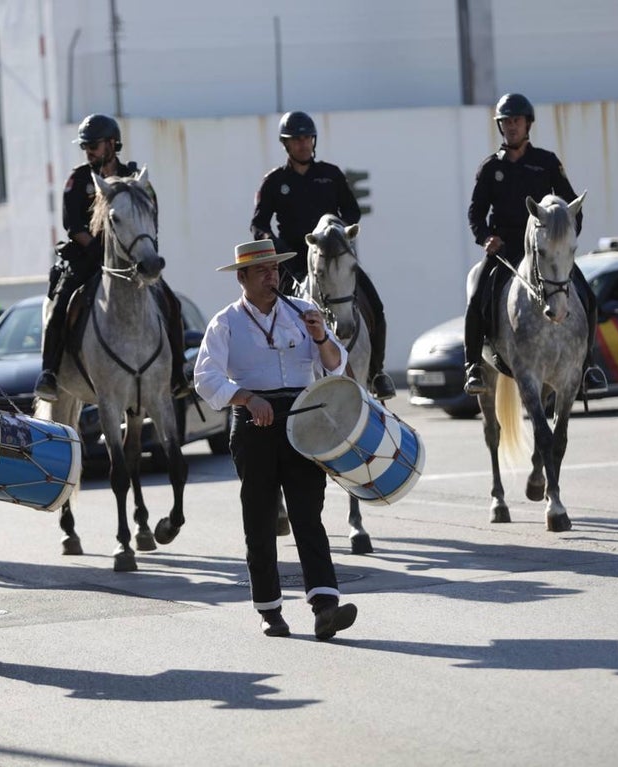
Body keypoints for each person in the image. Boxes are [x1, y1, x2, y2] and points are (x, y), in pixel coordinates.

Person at [194, 240, 359, 640]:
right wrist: (247, 398)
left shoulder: (303, 311)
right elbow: (205, 376)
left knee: (308, 514)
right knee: (261, 517)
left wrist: (321, 337)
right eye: (262, 271)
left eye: (275, 269)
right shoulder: (226, 322)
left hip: (303, 421)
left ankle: (325, 607)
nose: (273, 276)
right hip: (255, 425)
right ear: (242, 278)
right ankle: (269, 609)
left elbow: (337, 366)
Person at [34, 113, 190, 401]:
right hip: (88, 258)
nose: (89, 151)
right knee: (60, 304)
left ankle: (178, 374)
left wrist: (141, 252)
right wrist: (98, 252)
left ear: (112, 143)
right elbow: (74, 227)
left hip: (131, 260)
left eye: (93, 144)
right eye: (85, 146)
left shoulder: (135, 179)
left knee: (172, 304)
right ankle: (49, 373)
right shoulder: (77, 179)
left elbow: (150, 221)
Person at [462, 93, 608, 397]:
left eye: (516, 120)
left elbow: (572, 208)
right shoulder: (490, 168)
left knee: (588, 298)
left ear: (528, 124)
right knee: (477, 296)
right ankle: (474, 365)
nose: (511, 126)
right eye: (506, 122)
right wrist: (485, 237)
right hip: (506, 249)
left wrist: (563, 239)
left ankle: (589, 364)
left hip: (546, 249)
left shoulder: (547, 162)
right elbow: (475, 213)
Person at [250, 110, 396, 401]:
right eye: (297, 140)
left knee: (375, 305)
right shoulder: (275, 181)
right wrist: (270, 242)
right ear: (286, 144)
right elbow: (259, 222)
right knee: (265, 313)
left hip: (334, 257)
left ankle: (377, 373)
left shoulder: (330, 175)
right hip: (293, 260)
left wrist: (341, 228)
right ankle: (267, 377)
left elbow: (352, 210)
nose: (303, 144)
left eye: (307, 138)